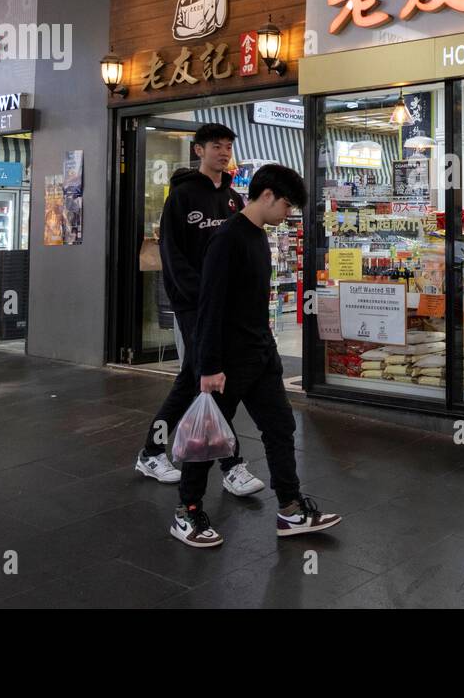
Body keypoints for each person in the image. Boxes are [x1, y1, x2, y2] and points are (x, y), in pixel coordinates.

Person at [171, 164, 341, 548]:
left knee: (280, 428)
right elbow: (210, 304)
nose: (288, 214)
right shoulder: (227, 239)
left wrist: (270, 351)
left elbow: (252, 302)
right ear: (266, 196)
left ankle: (291, 508)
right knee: (206, 438)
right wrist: (209, 366)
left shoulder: (258, 236)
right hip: (226, 362)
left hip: (260, 356)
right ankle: (188, 511)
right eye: (285, 205)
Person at [135, 123, 265, 501]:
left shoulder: (233, 200)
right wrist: (196, 298)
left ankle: (152, 452)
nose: (223, 153)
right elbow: (172, 257)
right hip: (195, 306)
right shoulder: (181, 197)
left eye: (228, 147)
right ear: (198, 151)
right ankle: (230, 464)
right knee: (206, 378)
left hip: (227, 307)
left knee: (194, 380)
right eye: (216, 147)